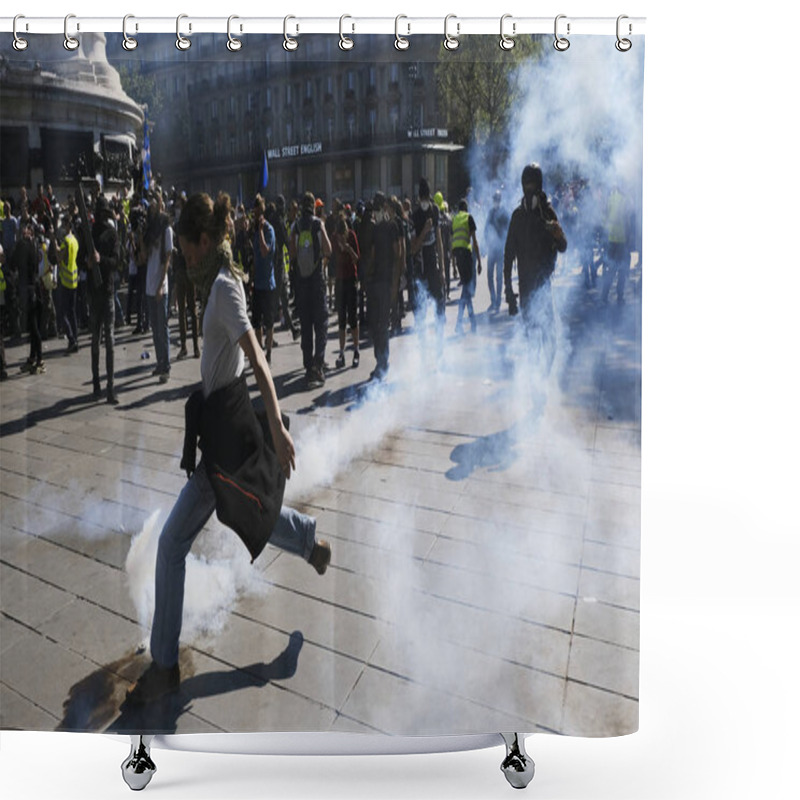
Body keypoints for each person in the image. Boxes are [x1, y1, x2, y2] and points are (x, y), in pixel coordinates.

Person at [125, 192, 331, 706]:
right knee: (244, 507)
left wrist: (279, 432)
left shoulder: (222, 288)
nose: (184, 258)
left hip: (225, 427)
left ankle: (165, 665)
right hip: (223, 422)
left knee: (173, 543)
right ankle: (309, 543)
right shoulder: (219, 278)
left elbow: (258, 357)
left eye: (188, 249)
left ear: (202, 240)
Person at [503, 163, 567, 375]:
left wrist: (558, 235)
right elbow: (507, 257)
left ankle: (543, 377)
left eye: (533, 184)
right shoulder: (517, 217)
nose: (529, 189)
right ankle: (534, 388)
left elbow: (563, 246)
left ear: (539, 186)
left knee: (551, 342)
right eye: (526, 184)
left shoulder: (548, 213)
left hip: (544, 289)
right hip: (526, 292)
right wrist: (509, 294)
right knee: (532, 345)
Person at [290, 191, 332, 389]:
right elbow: (329, 249)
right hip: (317, 280)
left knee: (306, 324)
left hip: (302, 283)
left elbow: (291, 253)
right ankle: (318, 365)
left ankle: (308, 367)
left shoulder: (296, 226)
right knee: (321, 322)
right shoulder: (318, 224)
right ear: (313, 206)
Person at [365, 192, 402, 381]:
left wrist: (395, 283)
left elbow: (398, 254)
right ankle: (379, 361)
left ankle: (383, 363)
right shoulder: (376, 229)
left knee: (383, 324)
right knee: (375, 324)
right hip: (376, 282)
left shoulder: (392, 227)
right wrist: (366, 278)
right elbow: (372, 256)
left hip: (387, 282)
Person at [88, 195, 120, 403]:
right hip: (94, 293)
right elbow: (83, 256)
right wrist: (87, 261)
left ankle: (109, 386)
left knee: (109, 340)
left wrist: (101, 261)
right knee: (94, 340)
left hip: (107, 291)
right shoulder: (89, 233)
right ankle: (97, 383)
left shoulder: (112, 235)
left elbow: (117, 262)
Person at [410, 178, 447, 355]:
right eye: (422, 198)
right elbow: (413, 248)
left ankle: (440, 348)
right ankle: (423, 351)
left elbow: (439, 240)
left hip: (433, 267)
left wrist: (443, 269)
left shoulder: (435, 210)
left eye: (427, 198)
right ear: (419, 198)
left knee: (440, 306)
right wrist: (424, 231)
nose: (425, 201)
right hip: (421, 270)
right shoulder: (414, 216)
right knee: (421, 312)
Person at [144, 191, 173, 383]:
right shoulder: (150, 228)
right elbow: (145, 256)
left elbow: (168, 257)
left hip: (160, 285)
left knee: (162, 327)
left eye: (154, 200)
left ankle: (166, 365)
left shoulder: (166, 229)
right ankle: (159, 362)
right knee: (154, 327)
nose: (151, 205)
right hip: (149, 282)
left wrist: (161, 285)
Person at [331, 210, 361, 369]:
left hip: (350, 280)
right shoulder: (334, 239)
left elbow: (357, 259)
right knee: (341, 319)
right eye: (339, 236)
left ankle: (356, 350)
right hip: (340, 281)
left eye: (343, 235)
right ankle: (341, 352)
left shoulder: (352, 236)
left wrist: (349, 249)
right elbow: (330, 257)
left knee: (353, 318)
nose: (341, 238)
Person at [251, 195, 278, 363]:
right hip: (257, 283)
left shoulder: (268, 230)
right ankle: (260, 350)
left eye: (258, 213)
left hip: (268, 283)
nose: (256, 216)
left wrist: (260, 230)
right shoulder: (254, 230)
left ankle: (268, 352)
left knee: (268, 322)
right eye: (254, 213)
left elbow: (264, 251)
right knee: (256, 322)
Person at [452, 199, 482, 335]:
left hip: (458, 256)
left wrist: (453, 265)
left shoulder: (455, 219)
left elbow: (453, 240)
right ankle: (459, 322)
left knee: (466, 288)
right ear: (467, 208)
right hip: (465, 254)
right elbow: (474, 241)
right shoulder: (468, 218)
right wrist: (480, 261)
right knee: (467, 289)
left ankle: (472, 321)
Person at [601, 184, 631, 305]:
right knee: (622, 269)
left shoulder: (610, 198)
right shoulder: (625, 200)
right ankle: (619, 297)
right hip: (621, 240)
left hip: (611, 238)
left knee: (611, 269)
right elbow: (627, 220)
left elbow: (605, 216)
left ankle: (604, 296)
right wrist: (629, 237)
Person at [486, 190, 509, 313]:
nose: (495, 201)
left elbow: (508, 230)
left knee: (499, 277)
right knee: (489, 276)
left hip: (500, 249)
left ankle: (498, 302)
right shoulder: (490, 213)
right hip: (491, 249)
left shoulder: (504, 213)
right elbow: (486, 228)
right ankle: (493, 300)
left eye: (497, 199)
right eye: (494, 199)